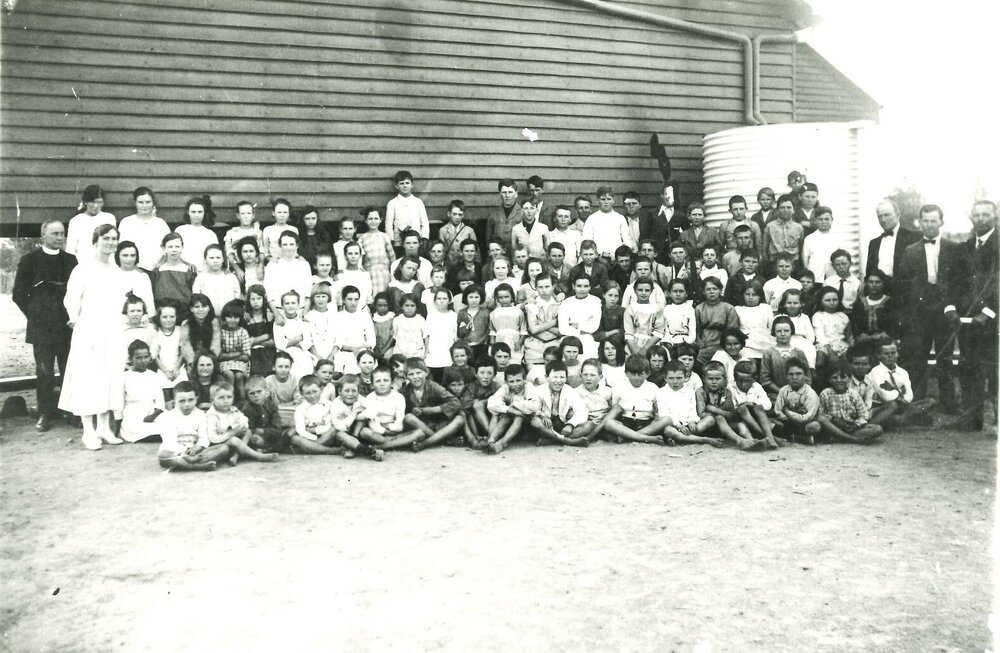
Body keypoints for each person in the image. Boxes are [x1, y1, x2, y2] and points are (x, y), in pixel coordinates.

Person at [59, 224, 129, 450]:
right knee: (89, 379)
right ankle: (88, 432)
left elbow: (120, 303)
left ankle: (104, 428)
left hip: (112, 330)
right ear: (96, 241)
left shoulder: (116, 271)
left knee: (110, 377)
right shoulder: (83, 269)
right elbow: (71, 298)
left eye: (114, 239)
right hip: (89, 330)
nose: (110, 242)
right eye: (106, 238)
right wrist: (76, 319)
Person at [13, 218, 78, 431]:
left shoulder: (71, 260)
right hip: (42, 328)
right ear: (43, 236)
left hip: (66, 326)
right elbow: (19, 295)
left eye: (62, 234)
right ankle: (45, 413)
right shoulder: (30, 260)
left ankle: (70, 411)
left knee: (69, 369)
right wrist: (36, 315)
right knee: (45, 372)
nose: (59, 238)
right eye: (55, 234)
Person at [895, 204, 962, 406]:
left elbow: (960, 281)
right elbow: (904, 284)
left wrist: (952, 306)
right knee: (918, 356)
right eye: (925, 220)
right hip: (920, 309)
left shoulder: (954, 248)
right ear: (920, 222)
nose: (929, 224)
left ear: (941, 222)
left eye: (933, 220)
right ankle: (917, 402)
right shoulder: (910, 250)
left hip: (945, 308)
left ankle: (949, 403)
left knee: (946, 356)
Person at [949, 199, 998, 431]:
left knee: (992, 369)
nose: (980, 219)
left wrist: (988, 314)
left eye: (985, 215)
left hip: (993, 322)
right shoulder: (964, 248)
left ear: (995, 217)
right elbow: (951, 283)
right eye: (977, 215)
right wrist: (951, 309)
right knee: (970, 367)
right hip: (967, 321)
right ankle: (972, 418)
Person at [203, 382, 279, 464]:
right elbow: (213, 438)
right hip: (219, 447)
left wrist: (232, 429)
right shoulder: (211, 416)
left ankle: (236, 455)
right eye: (221, 398)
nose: (226, 401)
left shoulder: (233, 410)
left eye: (229, 397)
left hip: (235, 443)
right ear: (212, 400)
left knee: (248, 431)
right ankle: (259, 456)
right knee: (233, 440)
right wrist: (232, 433)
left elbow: (245, 422)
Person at [865, 339, 936, 427]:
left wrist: (903, 398)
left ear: (898, 354)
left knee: (930, 401)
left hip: (902, 405)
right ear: (879, 355)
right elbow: (885, 396)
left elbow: (909, 395)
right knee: (892, 405)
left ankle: (899, 420)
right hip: (882, 407)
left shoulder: (902, 372)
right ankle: (879, 423)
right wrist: (901, 393)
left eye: (893, 353)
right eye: (886, 354)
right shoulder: (876, 372)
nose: (890, 356)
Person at [400, 359, 465, 451]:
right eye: (411, 374)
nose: (415, 377)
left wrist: (430, 410)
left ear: (426, 373)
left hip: (438, 425)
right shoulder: (404, 391)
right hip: (419, 426)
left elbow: (456, 403)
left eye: (418, 373)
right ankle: (444, 440)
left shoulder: (434, 386)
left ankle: (426, 443)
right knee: (408, 417)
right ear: (406, 376)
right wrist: (412, 412)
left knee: (460, 418)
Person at [602, 354, 664, 445]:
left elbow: (656, 410)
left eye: (640, 374)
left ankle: (628, 436)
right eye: (632, 374)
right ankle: (645, 438)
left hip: (646, 424)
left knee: (666, 420)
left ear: (647, 374)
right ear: (626, 373)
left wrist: (657, 418)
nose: (636, 378)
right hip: (625, 423)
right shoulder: (618, 386)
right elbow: (615, 407)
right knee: (609, 423)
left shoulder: (653, 388)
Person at [156, 382, 218, 471]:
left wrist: (197, 448)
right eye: (182, 401)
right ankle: (195, 467)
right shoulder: (167, 417)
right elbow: (170, 442)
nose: (187, 404)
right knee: (162, 455)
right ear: (174, 402)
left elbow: (204, 438)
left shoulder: (201, 415)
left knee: (223, 448)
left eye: (190, 400)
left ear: (196, 400)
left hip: (195, 452)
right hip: (175, 452)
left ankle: (180, 465)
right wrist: (185, 453)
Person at [657, 361, 720, 447]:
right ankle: (703, 439)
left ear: (685, 377)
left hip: (689, 426)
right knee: (668, 430)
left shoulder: (690, 392)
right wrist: (678, 425)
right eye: (671, 378)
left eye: (679, 378)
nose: (675, 382)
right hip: (673, 425)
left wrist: (692, 421)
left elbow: (692, 410)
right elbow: (664, 413)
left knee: (710, 419)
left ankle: (681, 438)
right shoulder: (661, 392)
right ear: (665, 378)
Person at [817, 364, 884, 444]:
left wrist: (855, 425)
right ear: (829, 379)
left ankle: (841, 437)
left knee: (877, 429)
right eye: (834, 378)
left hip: (851, 427)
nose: (839, 380)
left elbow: (864, 415)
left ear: (849, 378)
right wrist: (833, 420)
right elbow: (821, 414)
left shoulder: (854, 394)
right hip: (833, 427)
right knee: (821, 420)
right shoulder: (825, 394)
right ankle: (852, 439)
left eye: (843, 377)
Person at [696, 361, 756, 449]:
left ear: (724, 379)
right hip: (708, 427)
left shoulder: (726, 392)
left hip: (725, 428)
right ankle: (739, 441)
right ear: (704, 378)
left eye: (717, 379)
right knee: (720, 418)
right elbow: (701, 414)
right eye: (710, 378)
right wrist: (720, 414)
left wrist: (714, 410)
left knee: (740, 423)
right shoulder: (700, 392)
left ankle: (752, 441)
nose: (714, 382)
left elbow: (731, 414)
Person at [531, 361, 592, 446]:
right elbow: (533, 407)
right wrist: (542, 416)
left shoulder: (569, 390)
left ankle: (551, 441)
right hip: (546, 426)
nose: (558, 381)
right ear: (547, 377)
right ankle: (568, 441)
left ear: (566, 378)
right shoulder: (539, 390)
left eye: (562, 377)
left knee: (589, 425)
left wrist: (570, 425)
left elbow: (582, 410)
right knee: (535, 421)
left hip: (562, 424)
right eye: (555, 377)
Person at [484, 364, 539, 453]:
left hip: (529, 422)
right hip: (512, 419)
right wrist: (509, 409)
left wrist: (515, 405)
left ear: (524, 379)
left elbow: (535, 406)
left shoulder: (529, 387)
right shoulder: (505, 388)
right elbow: (491, 402)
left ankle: (502, 443)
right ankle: (491, 440)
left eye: (518, 380)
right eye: (511, 381)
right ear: (506, 381)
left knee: (519, 418)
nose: (515, 384)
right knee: (506, 416)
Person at [865, 199, 921, 283]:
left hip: (903, 292)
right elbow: (869, 272)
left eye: (887, 215)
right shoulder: (874, 243)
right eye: (880, 216)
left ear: (898, 215)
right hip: (879, 293)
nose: (883, 219)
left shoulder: (913, 237)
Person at [118, 187, 170, 272]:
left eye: (148, 202)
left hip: (157, 271)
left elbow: (168, 248)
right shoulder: (126, 223)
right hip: (132, 270)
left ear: (153, 203)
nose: (144, 206)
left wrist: (159, 266)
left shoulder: (161, 224)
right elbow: (121, 249)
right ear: (135, 203)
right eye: (141, 202)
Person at [729, 360, 780, 448]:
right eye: (739, 380)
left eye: (747, 381)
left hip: (757, 419)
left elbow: (768, 405)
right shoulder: (731, 389)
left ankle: (769, 437)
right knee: (742, 409)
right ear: (735, 378)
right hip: (740, 419)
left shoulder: (757, 386)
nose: (743, 384)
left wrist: (753, 404)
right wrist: (744, 404)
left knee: (758, 408)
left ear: (754, 379)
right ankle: (764, 438)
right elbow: (732, 407)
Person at [771, 357, 821, 444]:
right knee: (773, 424)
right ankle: (798, 438)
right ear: (786, 376)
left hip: (804, 424)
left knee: (815, 426)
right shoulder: (783, 390)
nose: (794, 377)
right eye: (791, 374)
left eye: (798, 374)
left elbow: (807, 418)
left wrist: (787, 412)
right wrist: (789, 417)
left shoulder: (810, 393)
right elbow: (778, 412)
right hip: (787, 423)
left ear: (805, 375)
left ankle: (793, 437)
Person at [66, 184, 116, 262]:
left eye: (99, 202)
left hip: (105, 264)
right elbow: (70, 249)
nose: (95, 206)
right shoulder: (76, 221)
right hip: (83, 263)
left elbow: (113, 245)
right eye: (92, 202)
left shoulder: (109, 218)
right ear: (85, 202)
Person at [583, 186, 634, 260]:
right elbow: (587, 241)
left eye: (609, 199)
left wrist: (619, 255)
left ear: (613, 200)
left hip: (617, 258)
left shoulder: (620, 218)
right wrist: (598, 256)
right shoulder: (591, 219)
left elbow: (627, 240)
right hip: (597, 259)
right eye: (603, 199)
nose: (606, 202)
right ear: (598, 201)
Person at [240, 376, 288, 454]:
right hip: (254, 436)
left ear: (267, 392)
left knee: (285, 434)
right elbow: (249, 428)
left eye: (259, 391)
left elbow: (277, 428)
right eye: (251, 393)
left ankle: (268, 449)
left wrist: (262, 431)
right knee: (254, 439)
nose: (256, 395)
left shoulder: (272, 406)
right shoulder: (247, 408)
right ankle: (264, 450)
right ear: (247, 396)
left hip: (269, 436)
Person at [558, 275, 602, 358]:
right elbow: (562, 328)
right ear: (573, 286)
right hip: (568, 339)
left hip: (587, 339)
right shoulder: (566, 302)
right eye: (579, 286)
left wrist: (576, 325)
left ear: (590, 287)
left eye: (586, 286)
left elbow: (594, 326)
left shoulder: (596, 301)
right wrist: (582, 328)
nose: (582, 289)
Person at [175, 196, 219, 273]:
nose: (196, 215)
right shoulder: (180, 230)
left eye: (200, 212)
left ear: (204, 213)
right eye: (193, 212)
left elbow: (214, 255)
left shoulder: (210, 234)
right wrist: (187, 264)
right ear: (188, 212)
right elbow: (174, 252)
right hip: (182, 271)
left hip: (203, 272)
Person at [385, 170, 429, 248]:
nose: (405, 186)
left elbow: (425, 223)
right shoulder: (392, 203)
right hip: (399, 244)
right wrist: (391, 241)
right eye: (401, 183)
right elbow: (388, 226)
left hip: (416, 242)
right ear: (396, 186)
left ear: (412, 184)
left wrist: (424, 239)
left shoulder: (418, 202)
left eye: (407, 183)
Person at [762, 194, 804, 274]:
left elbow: (801, 248)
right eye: (782, 207)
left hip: (793, 263)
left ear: (794, 210)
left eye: (789, 207)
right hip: (774, 263)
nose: (785, 210)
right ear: (777, 210)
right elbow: (764, 249)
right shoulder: (770, 226)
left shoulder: (798, 228)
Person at [640, 182, 687, 249]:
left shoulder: (681, 216)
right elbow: (644, 237)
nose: (669, 197)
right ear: (662, 195)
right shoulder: (652, 214)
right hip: (657, 255)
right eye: (666, 194)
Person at [484, 178, 524, 253]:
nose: (507, 195)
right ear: (500, 194)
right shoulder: (493, 214)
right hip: (498, 254)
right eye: (504, 192)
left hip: (516, 255)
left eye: (510, 192)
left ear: (516, 194)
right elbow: (488, 239)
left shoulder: (523, 213)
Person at [801, 206, 838, 280]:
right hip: (815, 277)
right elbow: (805, 260)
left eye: (826, 219)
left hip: (833, 278)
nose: (823, 222)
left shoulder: (838, 238)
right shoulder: (809, 239)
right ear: (815, 221)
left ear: (832, 220)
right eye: (820, 219)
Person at [224, 201, 263, 269]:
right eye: (243, 213)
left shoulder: (258, 232)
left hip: (254, 267)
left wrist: (260, 266)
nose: (246, 216)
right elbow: (229, 253)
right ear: (238, 215)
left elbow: (261, 250)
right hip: (237, 267)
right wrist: (237, 269)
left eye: (249, 213)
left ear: (253, 215)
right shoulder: (231, 233)